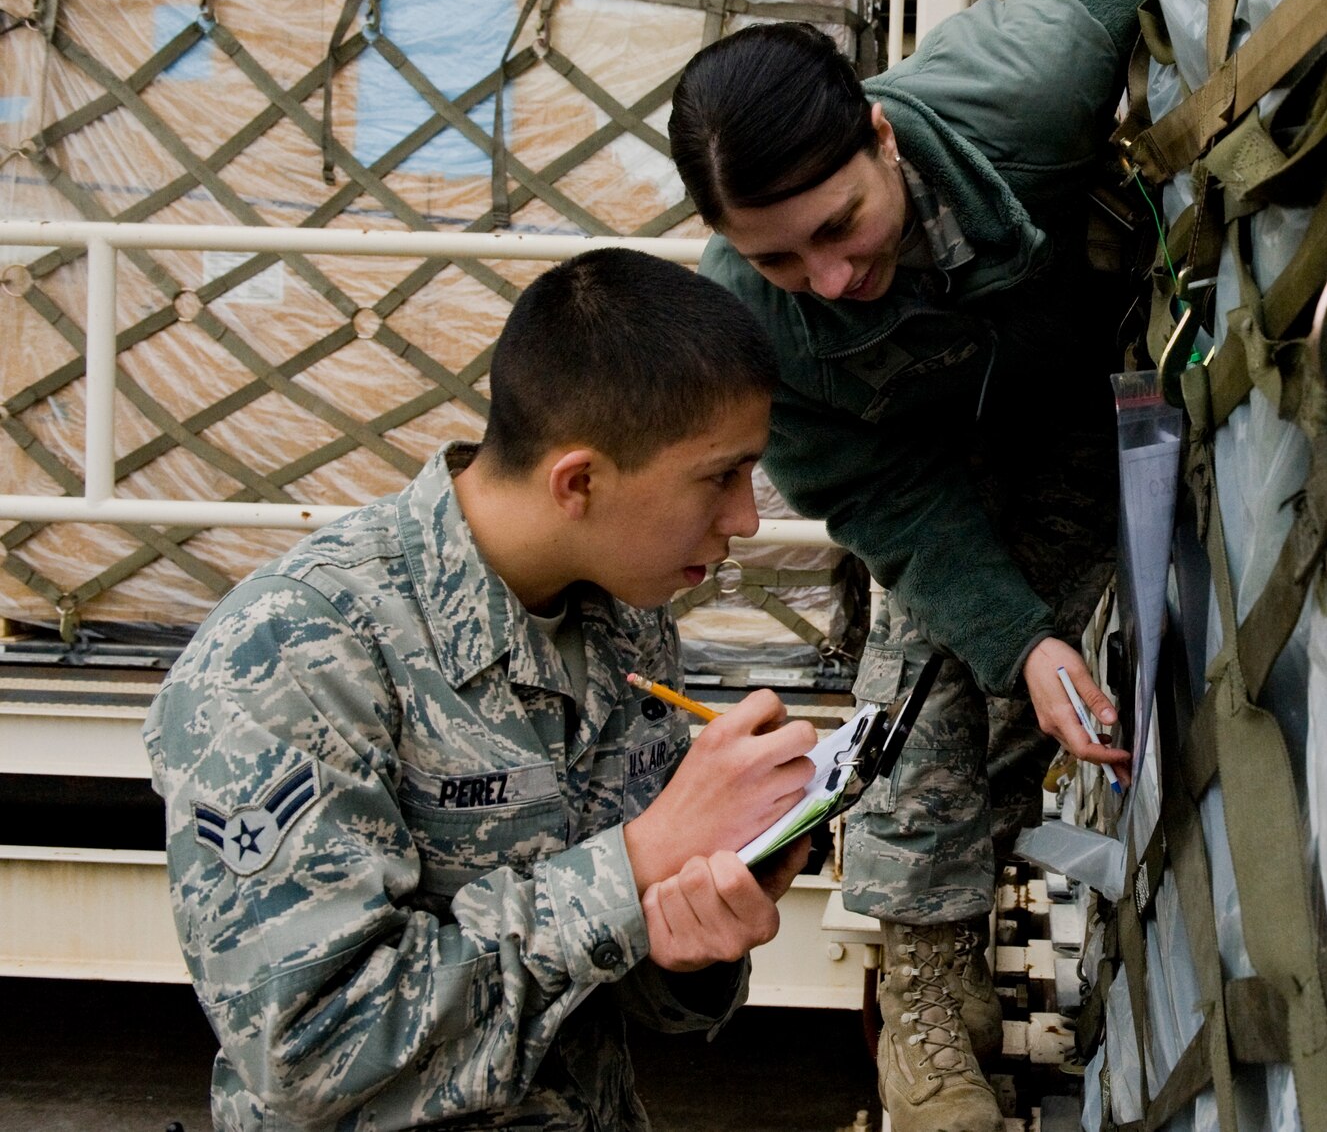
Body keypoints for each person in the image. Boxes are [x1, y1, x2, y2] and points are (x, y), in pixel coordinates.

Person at [671, 0, 1150, 1131]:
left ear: (882, 137)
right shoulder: (762, 320)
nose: (827, 279)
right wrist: (1019, 638)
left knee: (1039, 699)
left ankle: (957, 926)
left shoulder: (1026, 87)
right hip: (938, 460)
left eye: (840, 226)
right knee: (939, 669)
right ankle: (923, 994)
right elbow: (886, 500)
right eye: (779, 256)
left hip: (1092, 408)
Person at [144, 247, 820, 1131]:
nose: (746, 519)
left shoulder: (627, 613)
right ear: (578, 481)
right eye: (720, 477)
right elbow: (308, 1051)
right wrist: (636, 863)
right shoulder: (293, 652)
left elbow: (623, 980)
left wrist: (706, 911)